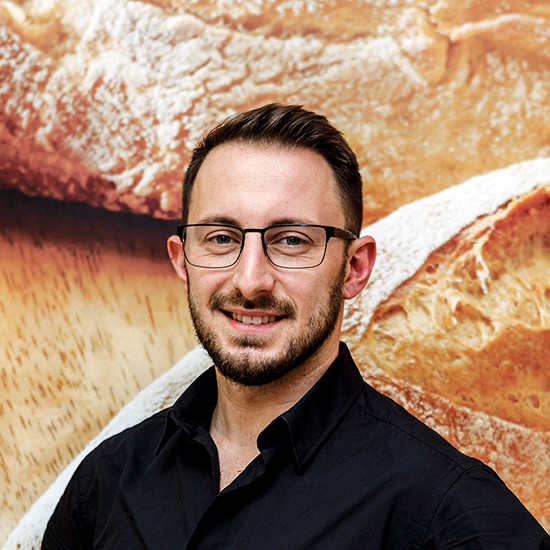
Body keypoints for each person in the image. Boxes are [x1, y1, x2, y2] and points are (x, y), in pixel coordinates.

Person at [42, 104, 550, 549]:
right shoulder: (106, 483)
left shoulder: (444, 506)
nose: (250, 281)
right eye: (221, 238)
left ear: (354, 268)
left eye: (291, 241)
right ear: (182, 261)